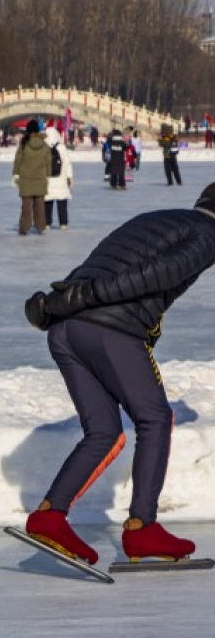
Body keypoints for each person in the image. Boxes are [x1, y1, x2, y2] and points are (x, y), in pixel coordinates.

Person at [20, 183, 215, 565]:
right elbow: (156, 275)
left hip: (66, 330)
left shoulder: (158, 219)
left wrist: (60, 303)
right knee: (155, 419)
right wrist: (90, 296)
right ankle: (142, 528)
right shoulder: (208, 235)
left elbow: (99, 263)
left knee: (104, 432)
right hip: (108, 330)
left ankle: (50, 515)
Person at [12, 120, 51, 235]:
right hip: (40, 179)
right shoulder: (44, 145)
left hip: (26, 179)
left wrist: (16, 174)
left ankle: (24, 227)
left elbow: (18, 160)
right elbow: (48, 161)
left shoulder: (24, 144)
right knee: (40, 205)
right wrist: (48, 175)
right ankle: (40, 226)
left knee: (26, 206)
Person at [43, 126, 73, 230]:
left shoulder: (43, 148)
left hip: (48, 181)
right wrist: (70, 177)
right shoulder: (62, 148)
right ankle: (63, 223)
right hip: (61, 181)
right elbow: (67, 164)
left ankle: (47, 223)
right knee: (62, 203)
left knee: (47, 203)